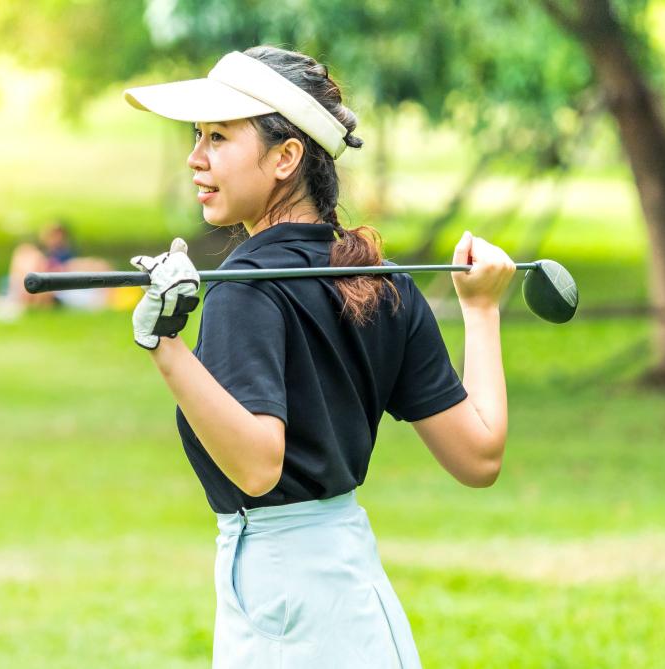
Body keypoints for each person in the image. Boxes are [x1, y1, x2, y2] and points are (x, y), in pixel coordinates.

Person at [124, 46, 517, 668]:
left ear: (286, 157)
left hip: (287, 594)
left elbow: (257, 466)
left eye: (219, 137)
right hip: (345, 579)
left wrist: (165, 344)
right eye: (198, 136)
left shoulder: (243, 285)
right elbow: (480, 455)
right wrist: (482, 311)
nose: (196, 158)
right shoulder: (383, 281)